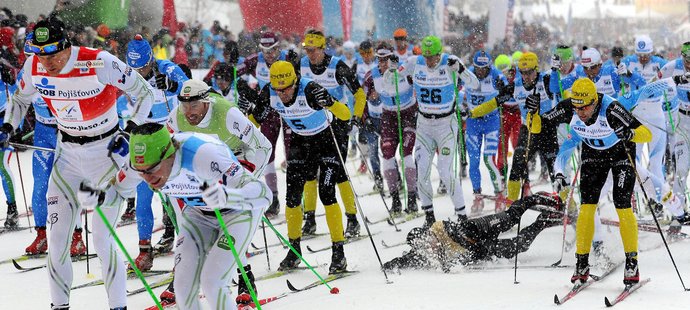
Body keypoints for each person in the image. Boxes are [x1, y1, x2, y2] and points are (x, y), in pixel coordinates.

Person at [3, 18, 154, 310]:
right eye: (39, 54)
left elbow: (144, 93)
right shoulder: (34, 66)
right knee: (57, 242)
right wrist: (7, 127)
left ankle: (118, 306)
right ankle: (59, 306)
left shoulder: (98, 62)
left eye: (52, 55)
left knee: (102, 239)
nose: (46, 63)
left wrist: (131, 127)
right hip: (68, 156)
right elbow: (20, 100)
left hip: (106, 155)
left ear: (66, 47)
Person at [115, 123, 270, 310]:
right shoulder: (139, 163)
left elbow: (264, 193)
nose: (147, 178)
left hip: (237, 213)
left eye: (153, 169)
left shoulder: (204, 154)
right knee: (182, 288)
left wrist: (228, 197)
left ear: (169, 154)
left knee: (213, 282)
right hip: (197, 214)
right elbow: (116, 189)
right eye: (142, 172)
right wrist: (94, 196)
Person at [531, 78, 651, 286]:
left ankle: (632, 262)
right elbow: (538, 127)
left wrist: (630, 133)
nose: (581, 112)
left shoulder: (612, 108)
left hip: (621, 153)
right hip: (593, 154)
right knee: (587, 207)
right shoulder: (570, 107)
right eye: (577, 107)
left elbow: (646, 134)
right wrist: (532, 113)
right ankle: (582, 263)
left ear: (595, 101)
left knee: (622, 205)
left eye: (585, 107)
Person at [249, 60, 352, 274]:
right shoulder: (270, 91)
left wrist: (331, 103)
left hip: (327, 140)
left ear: (295, 82)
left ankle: (338, 252)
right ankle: (294, 249)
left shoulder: (311, 89)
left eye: (286, 89)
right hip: (300, 141)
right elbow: (252, 122)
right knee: (293, 198)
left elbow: (345, 115)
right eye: (278, 90)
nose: (282, 94)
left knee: (326, 193)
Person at [120, 34, 189, 272]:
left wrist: (171, 86)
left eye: (143, 67)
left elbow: (190, 90)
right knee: (143, 196)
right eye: (134, 68)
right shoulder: (127, 74)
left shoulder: (167, 68)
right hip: (143, 137)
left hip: (169, 136)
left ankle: (187, 248)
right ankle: (144, 252)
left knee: (176, 195)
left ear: (151, 59)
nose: (139, 72)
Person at [398, 35, 479, 226]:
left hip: (446, 125)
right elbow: (390, 79)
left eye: (433, 57)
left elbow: (474, 84)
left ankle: (462, 217)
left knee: (445, 171)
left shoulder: (450, 62)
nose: (429, 61)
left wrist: (461, 69)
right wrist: (393, 68)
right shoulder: (413, 62)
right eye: (426, 57)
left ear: (439, 53)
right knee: (422, 172)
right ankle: (429, 217)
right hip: (424, 125)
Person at [298, 29, 366, 238]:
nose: (310, 54)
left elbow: (359, 93)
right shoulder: (302, 64)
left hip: (337, 123)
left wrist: (356, 116)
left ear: (322, 48)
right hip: (313, 124)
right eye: (307, 50)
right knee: (309, 172)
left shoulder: (337, 66)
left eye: (313, 50)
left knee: (338, 173)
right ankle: (309, 219)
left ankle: (352, 219)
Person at [383, 192, 563, 271]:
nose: (429, 246)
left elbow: (455, 240)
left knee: (512, 217)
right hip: (483, 247)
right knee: (520, 245)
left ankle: (535, 199)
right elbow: (408, 259)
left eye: (427, 240)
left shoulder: (439, 228)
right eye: (423, 246)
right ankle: (544, 221)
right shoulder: (426, 252)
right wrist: (391, 264)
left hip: (479, 228)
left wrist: (448, 261)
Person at [236, 31, 300, 218]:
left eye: (272, 50)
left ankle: (295, 199)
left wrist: (297, 66)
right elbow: (232, 71)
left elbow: (302, 80)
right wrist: (234, 69)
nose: (269, 55)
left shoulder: (288, 58)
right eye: (265, 51)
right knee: (267, 152)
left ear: (278, 48)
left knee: (292, 155)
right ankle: (273, 199)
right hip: (268, 110)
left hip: (289, 109)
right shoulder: (255, 60)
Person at [362, 42, 417, 214]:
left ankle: (412, 199)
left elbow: (420, 84)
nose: (383, 63)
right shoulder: (372, 76)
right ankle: (395, 199)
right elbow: (362, 98)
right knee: (386, 156)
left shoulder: (404, 71)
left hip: (408, 115)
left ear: (393, 58)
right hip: (388, 117)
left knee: (406, 155)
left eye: (386, 59)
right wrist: (364, 119)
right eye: (380, 59)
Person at [463, 50, 508, 214]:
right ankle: (478, 196)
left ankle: (499, 195)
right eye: (478, 68)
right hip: (473, 122)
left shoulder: (496, 75)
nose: (481, 72)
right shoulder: (468, 74)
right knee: (473, 161)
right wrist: (461, 106)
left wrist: (503, 92)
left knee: (489, 160)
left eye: (484, 68)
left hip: (491, 122)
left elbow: (507, 93)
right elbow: (460, 92)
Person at [0, 59, 19, 230]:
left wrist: (14, 127)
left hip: (3, 122)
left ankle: (12, 208)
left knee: (2, 166)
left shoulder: (3, 69)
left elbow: (18, 97)